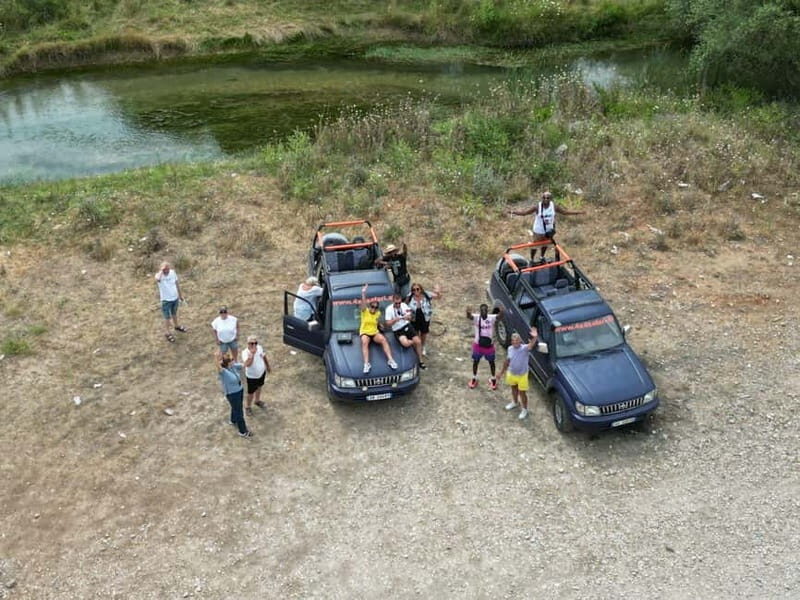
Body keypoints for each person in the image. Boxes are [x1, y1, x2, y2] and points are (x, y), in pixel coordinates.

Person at [509, 191, 586, 261]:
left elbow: (565, 212)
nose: (545, 199)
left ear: (550, 199)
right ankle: (532, 259)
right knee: (535, 246)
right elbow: (524, 213)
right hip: (538, 231)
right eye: (544, 197)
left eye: (547, 198)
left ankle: (542, 257)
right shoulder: (537, 207)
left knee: (545, 244)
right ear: (541, 198)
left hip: (548, 231)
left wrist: (578, 212)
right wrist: (513, 212)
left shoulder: (554, 207)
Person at [498, 328, 539, 420]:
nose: (515, 342)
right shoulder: (510, 349)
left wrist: (535, 337)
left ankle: (524, 409)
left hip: (522, 375)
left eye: (517, 340)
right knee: (513, 389)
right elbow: (507, 361)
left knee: (522, 393)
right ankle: (515, 402)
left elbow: (531, 345)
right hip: (512, 373)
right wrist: (501, 372)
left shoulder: (524, 348)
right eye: (513, 340)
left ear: (520, 341)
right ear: (511, 342)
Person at [359, 284, 397, 374]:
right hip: (365, 332)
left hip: (374, 332)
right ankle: (366, 364)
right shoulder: (365, 311)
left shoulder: (378, 313)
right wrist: (363, 293)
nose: (374, 309)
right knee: (365, 342)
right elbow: (363, 303)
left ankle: (390, 360)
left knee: (383, 340)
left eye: (376, 307)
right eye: (372, 306)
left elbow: (376, 321)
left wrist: (380, 325)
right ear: (370, 306)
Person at [466, 304, 503, 390]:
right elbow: (469, 316)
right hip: (478, 345)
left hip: (489, 346)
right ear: (480, 311)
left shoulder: (491, 317)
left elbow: (499, 317)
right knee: (475, 361)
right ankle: (474, 378)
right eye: (482, 311)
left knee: (491, 362)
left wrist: (502, 310)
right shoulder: (476, 317)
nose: (483, 313)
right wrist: (467, 311)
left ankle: (493, 379)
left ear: (487, 311)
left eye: (485, 311)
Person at [385, 293, 426, 369]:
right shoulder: (389, 309)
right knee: (405, 343)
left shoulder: (404, 305)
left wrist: (408, 317)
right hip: (398, 330)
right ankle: (413, 344)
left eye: (399, 303)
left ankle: (420, 361)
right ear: (393, 301)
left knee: (418, 342)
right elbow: (387, 323)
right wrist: (394, 320)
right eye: (396, 303)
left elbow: (411, 316)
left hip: (407, 326)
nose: (398, 305)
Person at [216, 351, 251, 438]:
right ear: (227, 363)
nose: (233, 360)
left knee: (235, 408)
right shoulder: (223, 372)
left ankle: (233, 420)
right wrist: (216, 359)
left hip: (239, 390)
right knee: (239, 412)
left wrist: (251, 356)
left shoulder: (233, 366)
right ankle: (243, 431)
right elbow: (218, 367)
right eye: (231, 360)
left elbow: (244, 365)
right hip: (232, 394)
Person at [405, 283, 442, 357]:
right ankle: (417, 347)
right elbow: (405, 305)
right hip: (414, 318)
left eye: (417, 289)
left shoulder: (426, 294)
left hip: (424, 317)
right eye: (413, 290)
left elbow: (438, 297)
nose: (416, 291)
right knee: (415, 333)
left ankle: (423, 346)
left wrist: (438, 291)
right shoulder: (410, 296)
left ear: (421, 289)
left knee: (424, 333)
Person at [154, 261, 186, 342]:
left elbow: (176, 283)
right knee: (167, 317)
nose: (166, 271)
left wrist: (180, 295)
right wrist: (161, 270)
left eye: (167, 269)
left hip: (175, 298)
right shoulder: (159, 275)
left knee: (174, 313)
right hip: (166, 300)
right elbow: (157, 279)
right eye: (165, 269)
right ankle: (167, 333)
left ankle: (176, 326)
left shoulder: (172, 273)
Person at [242, 335, 271, 416]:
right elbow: (248, 365)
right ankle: (248, 407)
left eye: (255, 343)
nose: (254, 345)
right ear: (248, 344)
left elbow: (264, 356)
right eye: (251, 343)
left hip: (261, 373)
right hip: (252, 377)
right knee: (250, 392)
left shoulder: (260, 348)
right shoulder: (245, 353)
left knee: (259, 387)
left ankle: (257, 401)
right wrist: (252, 354)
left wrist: (267, 366)